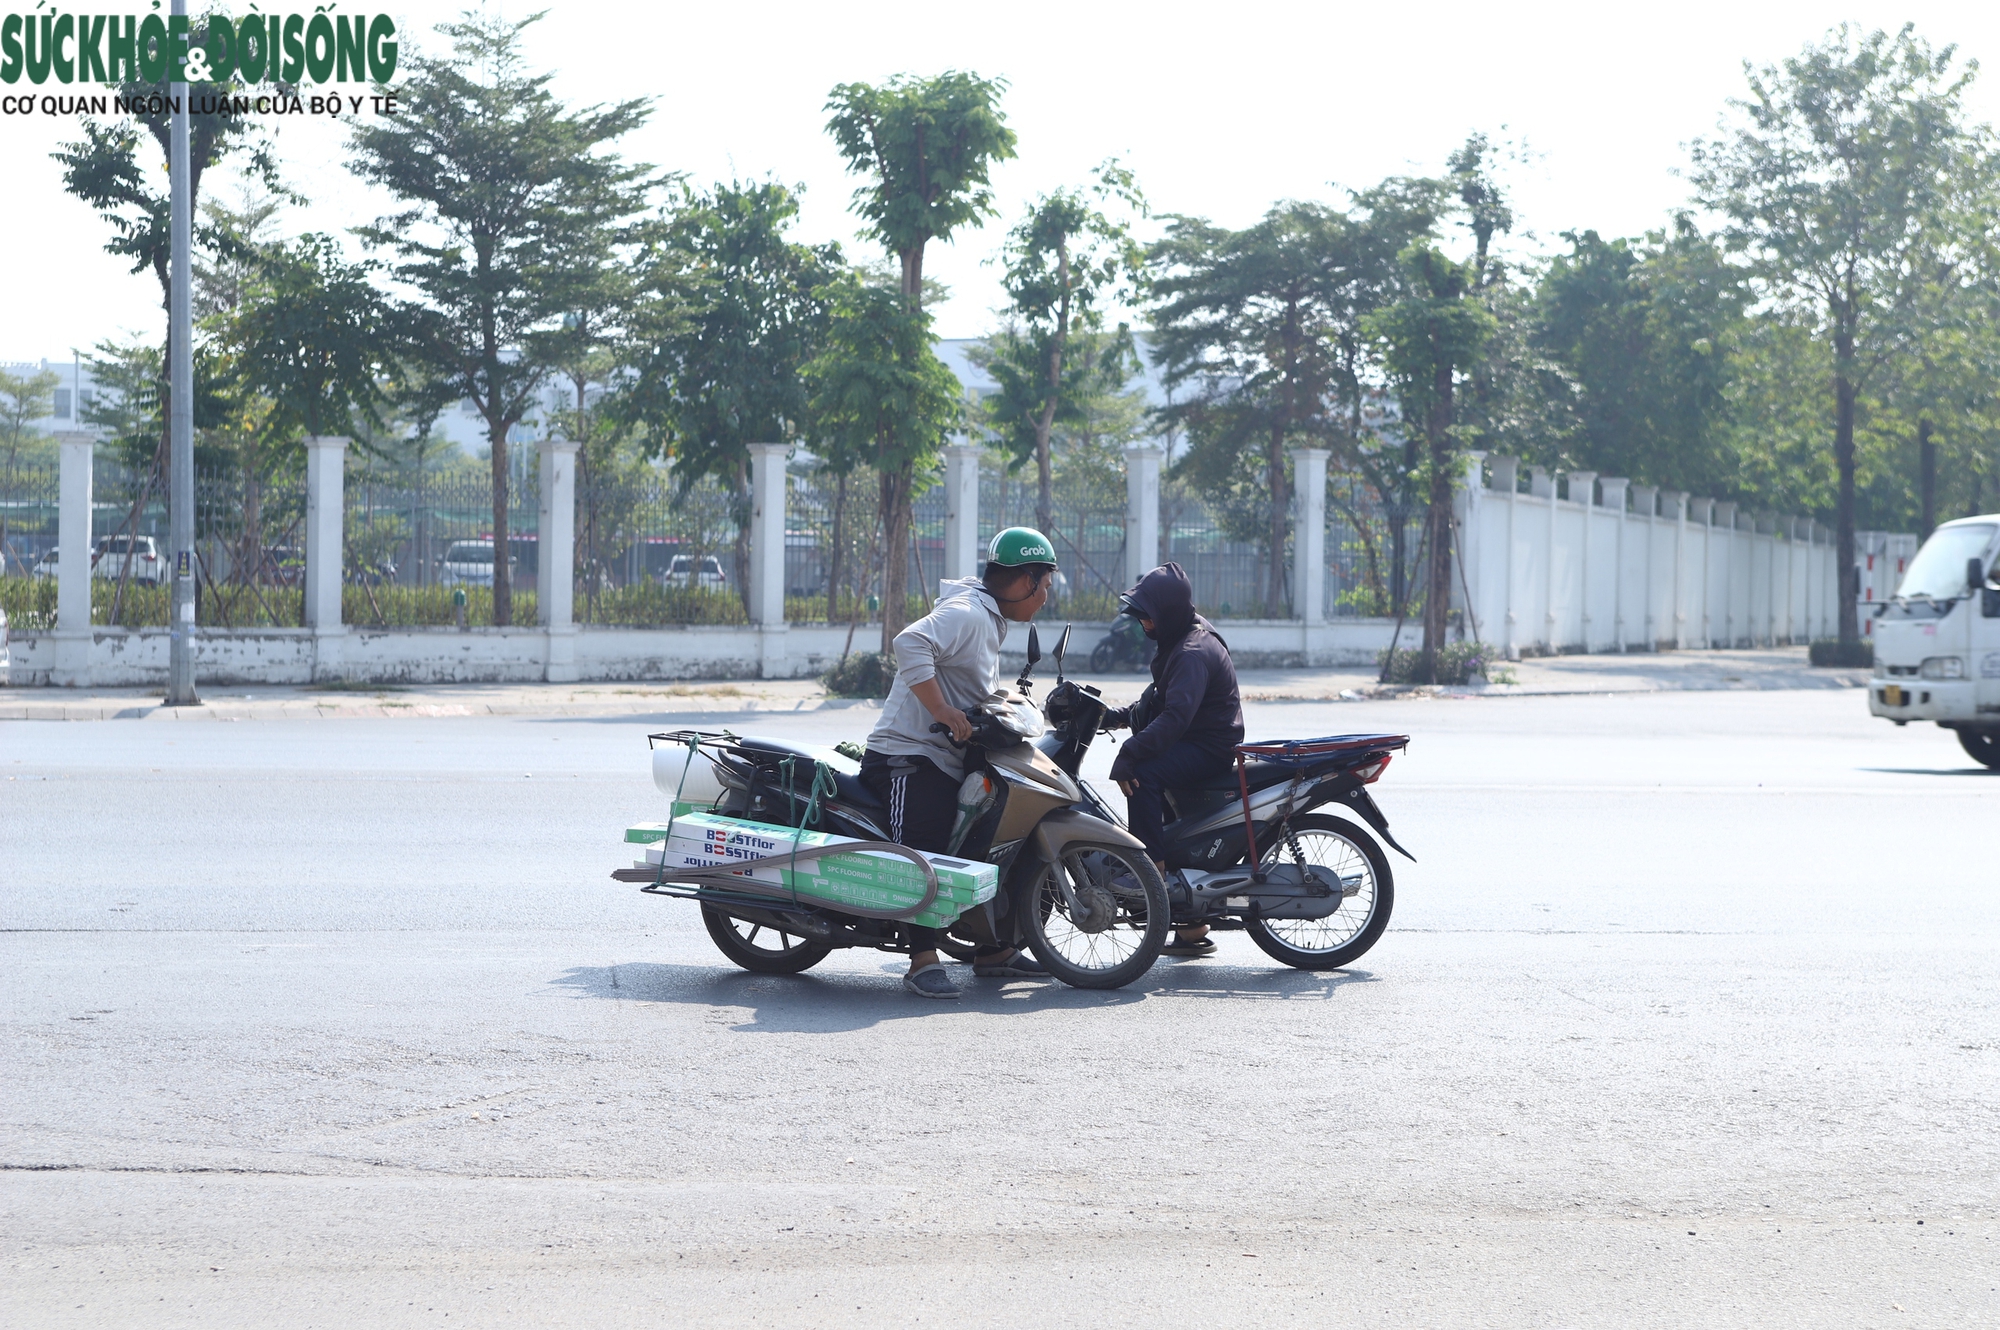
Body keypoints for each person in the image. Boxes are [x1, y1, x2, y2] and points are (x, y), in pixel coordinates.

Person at [860, 527, 1059, 998]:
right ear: (1025, 581)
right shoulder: (969, 613)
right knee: (924, 847)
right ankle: (921, 958)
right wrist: (942, 711)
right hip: (907, 755)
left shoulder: (989, 617)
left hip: (943, 753)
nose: (1046, 596)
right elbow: (909, 643)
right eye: (1045, 585)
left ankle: (992, 948)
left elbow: (967, 678)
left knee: (988, 839)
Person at [1102, 562, 1245, 958]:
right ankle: (1192, 925)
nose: (1145, 623)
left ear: (1168, 612)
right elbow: (1161, 698)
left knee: (1143, 775)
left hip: (1208, 744)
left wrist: (1128, 753)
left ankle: (1153, 883)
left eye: (1149, 615)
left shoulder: (1192, 651)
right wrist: (1114, 715)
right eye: (1142, 615)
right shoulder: (1183, 634)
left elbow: (1175, 717)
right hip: (1200, 735)